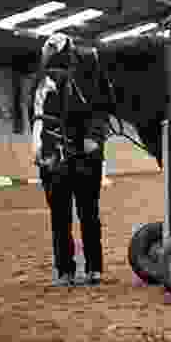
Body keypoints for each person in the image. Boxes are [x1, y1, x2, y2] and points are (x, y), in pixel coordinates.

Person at [31, 33, 114, 286]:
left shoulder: (89, 77)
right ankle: (65, 269)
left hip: (85, 158)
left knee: (88, 213)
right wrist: (40, 148)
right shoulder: (41, 82)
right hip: (54, 155)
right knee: (59, 216)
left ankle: (94, 268)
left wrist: (93, 137)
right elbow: (36, 116)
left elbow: (102, 109)